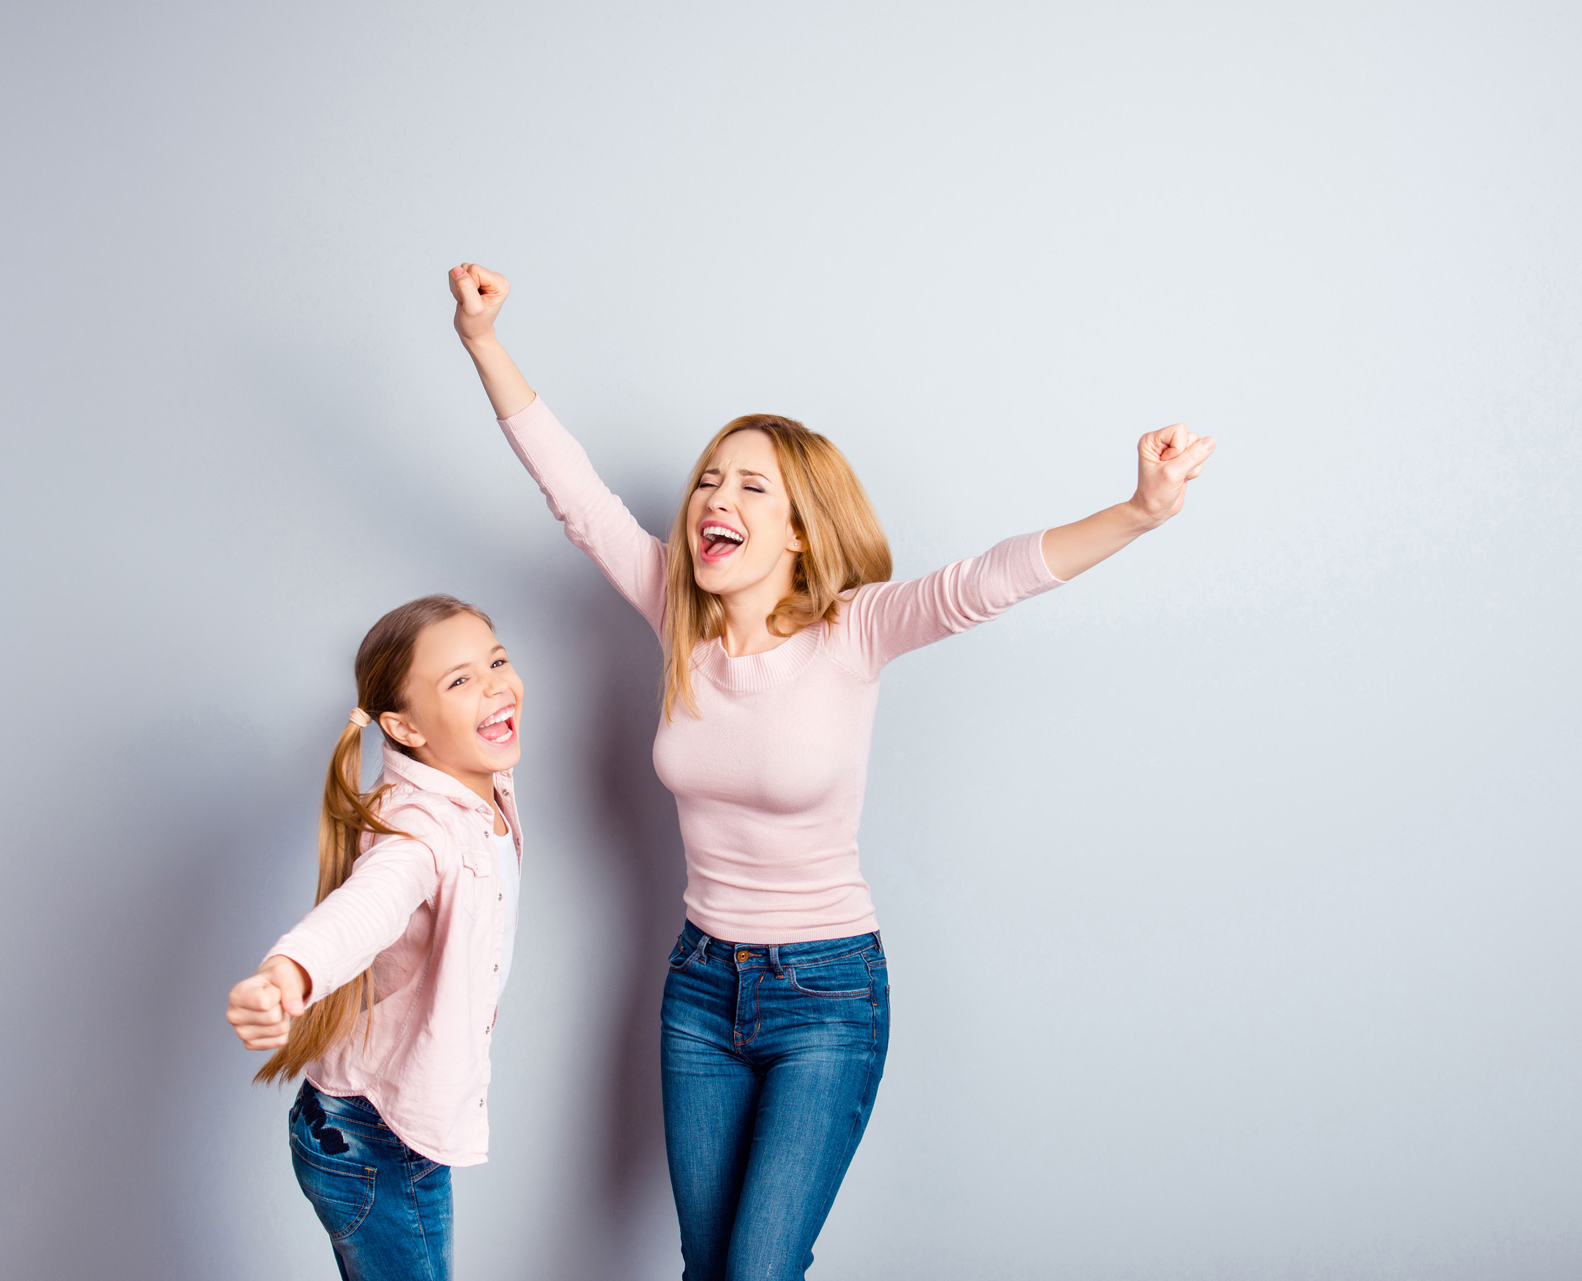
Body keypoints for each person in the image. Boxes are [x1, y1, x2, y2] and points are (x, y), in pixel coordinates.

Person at [448, 262, 1216, 1280]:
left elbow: (988, 580)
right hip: (698, 988)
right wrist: (484, 342)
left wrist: (1139, 511)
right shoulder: (677, 615)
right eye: (708, 480)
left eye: (750, 485)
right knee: (711, 1269)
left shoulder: (854, 630)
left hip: (827, 995)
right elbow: (575, 494)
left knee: (757, 1271)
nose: (716, 497)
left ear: (801, 532)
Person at [225, 594, 526, 1281]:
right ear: (404, 726)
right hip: (375, 1143)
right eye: (459, 680)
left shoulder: (475, 784)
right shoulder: (420, 830)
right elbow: (366, 908)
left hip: (363, 1126)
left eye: (497, 661)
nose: (494, 685)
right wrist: (288, 972)